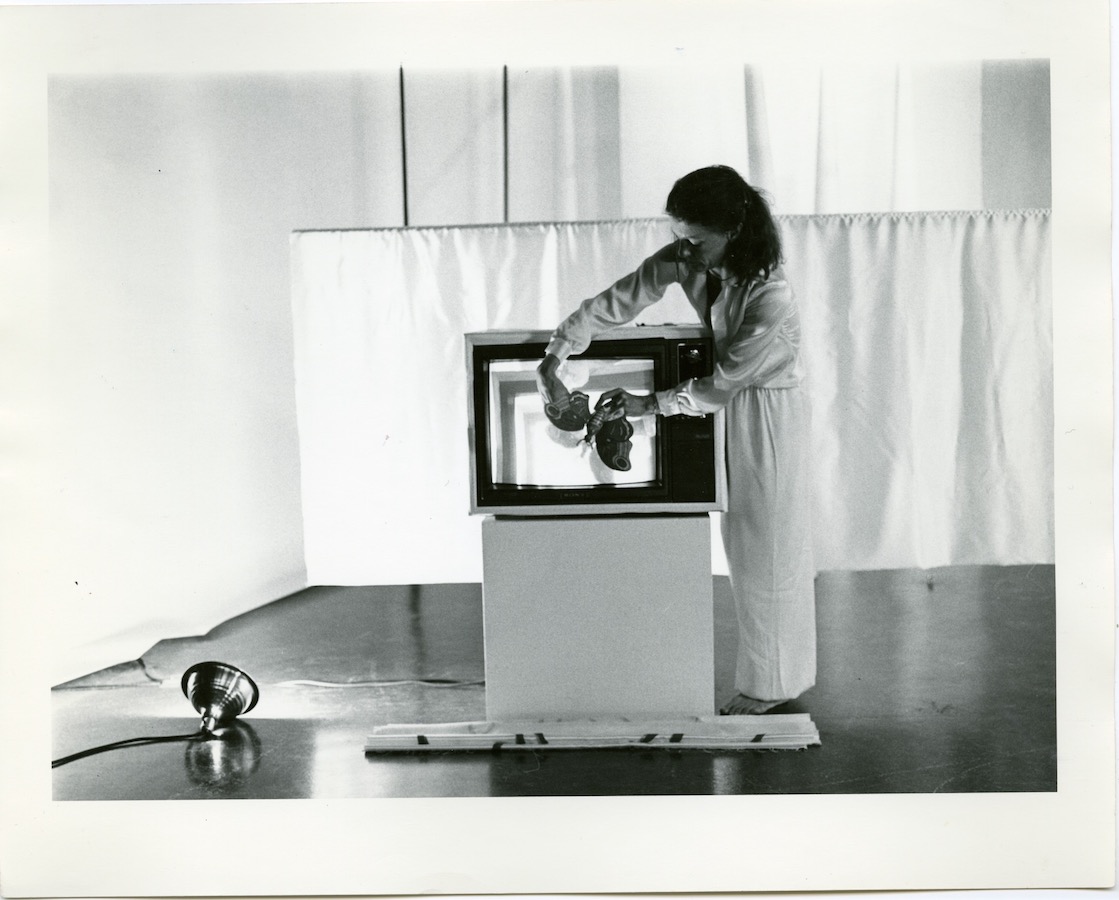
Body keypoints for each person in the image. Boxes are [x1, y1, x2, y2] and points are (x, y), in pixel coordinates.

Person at [536, 164, 816, 715]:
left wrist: (649, 404)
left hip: (767, 413)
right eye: (678, 236)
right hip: (725, 399)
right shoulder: (688, 259)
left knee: (769, 550)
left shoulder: (771, 293)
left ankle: (773, 687)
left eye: (695, 239)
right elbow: (617, 301)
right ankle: (773, 677)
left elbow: (727, 379)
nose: (684, 250)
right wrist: (555, 355)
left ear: (733, 229)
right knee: (743, 546)